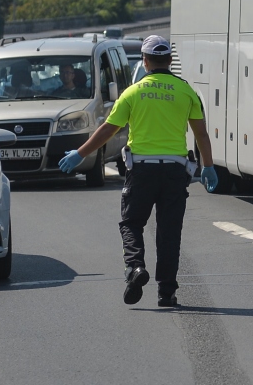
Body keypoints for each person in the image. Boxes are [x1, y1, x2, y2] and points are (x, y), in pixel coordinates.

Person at [58, 35, 215, 308]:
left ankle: (135, 269)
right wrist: (209, 167)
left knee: (131, 224)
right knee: (169, 233)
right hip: (175, 172)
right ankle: (166, 293)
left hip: (142, 171)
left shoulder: (133, 92)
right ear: (169, 60)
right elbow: (201, 133)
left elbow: (108, 129)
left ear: (145, 61)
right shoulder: (186, 91)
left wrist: (80, 153)